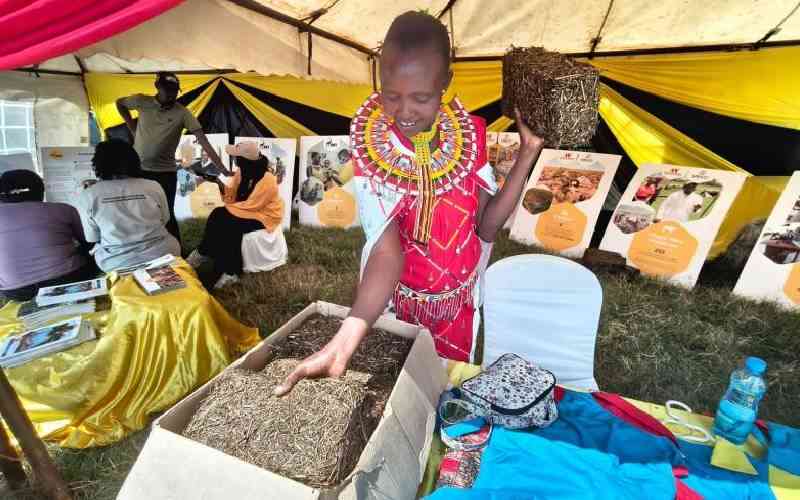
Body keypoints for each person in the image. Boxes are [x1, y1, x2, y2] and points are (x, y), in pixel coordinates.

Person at [275, 11, 544, 395]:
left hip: (459, 309)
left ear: (445, 83)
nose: (404, 112)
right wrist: (346, 337)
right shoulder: (373, 148)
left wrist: (528, 152)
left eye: (421, 97)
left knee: (446, 393)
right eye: (392, 95)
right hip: (400, 311)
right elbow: (387, 252)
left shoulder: (470, 136)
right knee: (402, 395)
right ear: (379, 82)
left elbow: (485, 225)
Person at [116, 71, 229, 246]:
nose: (171, 94)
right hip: (138, 169)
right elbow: (120, 103)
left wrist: (222, 168)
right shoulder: (142, 101)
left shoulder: (182, 113)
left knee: (166, 214)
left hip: (165, 173)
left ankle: (176, 250)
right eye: (167, 89)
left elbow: (203, 140)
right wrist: (132, 127)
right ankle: (144, 248)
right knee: (139, 212)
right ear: (157, 87)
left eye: (175, 90)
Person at [186, 142, 284, 289]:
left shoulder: (268, 179)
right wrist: (218, 183)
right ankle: (205, 253)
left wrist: (227, 211)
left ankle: (229, 270)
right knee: (220, 216)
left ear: (244, 159)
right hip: (247, 209)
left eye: (236, 157)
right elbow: (232, 195)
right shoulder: (242, 171)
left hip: (264, 215)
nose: (234, 159)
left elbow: (253, 205)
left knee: (228, 221)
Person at [75, 139, 180, 273]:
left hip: (117, 262)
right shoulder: (153, 185)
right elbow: (165, 219)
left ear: (97, 164)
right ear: (134, 161)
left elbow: (92, 237)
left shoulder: (89, 194)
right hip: (164, 254)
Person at [0, 170, 97, 301]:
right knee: (94, 254)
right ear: (41, 190)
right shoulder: (63, 209)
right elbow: (88, 242)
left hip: (17, 291)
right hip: (70, 278)